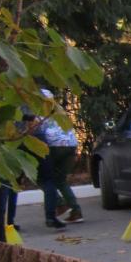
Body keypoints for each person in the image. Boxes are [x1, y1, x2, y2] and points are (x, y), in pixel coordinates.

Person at [34, 89, 84, 229]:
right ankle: (76, 211)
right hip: (71, 144)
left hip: (54, 146)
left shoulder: (39, 111)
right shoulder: (59, 109)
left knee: (43, 178)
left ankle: (59, 204)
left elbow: (36, 129)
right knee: (60, 180)